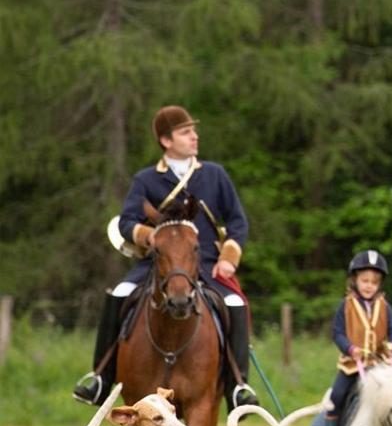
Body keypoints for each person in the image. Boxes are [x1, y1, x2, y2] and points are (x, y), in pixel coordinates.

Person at [72, 105, 258, 409]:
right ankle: (101, 377)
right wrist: (151, 237)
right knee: (120, 292)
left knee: (234, 302)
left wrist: (228, 257)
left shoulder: (214, 175)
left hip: (207, 262)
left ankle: (238, 386)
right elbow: (126, 222)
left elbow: (237, 221)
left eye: (193, 131)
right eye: (185, 132)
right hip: (157, 264)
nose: (194, 137)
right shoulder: (146, 179)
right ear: (166, 141)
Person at [310, 250, 392, 426]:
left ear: (379, 284)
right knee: (337, 397)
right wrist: (351, 349)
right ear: (355, 280)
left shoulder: (384, 306)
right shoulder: (346, 305)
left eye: (374, 282)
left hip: (380, 366)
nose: (369, 286)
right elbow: (338, 333)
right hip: (352, 366)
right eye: (365, 281)